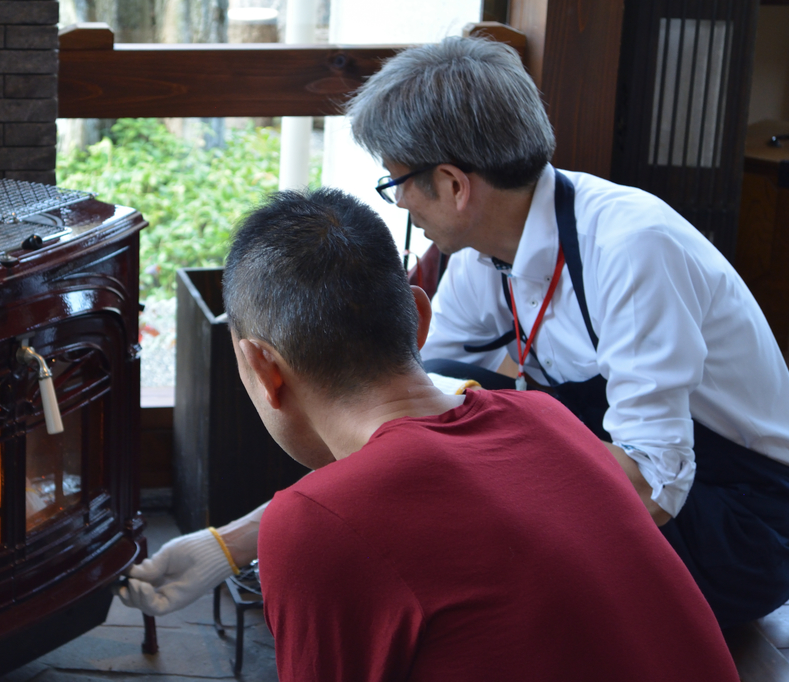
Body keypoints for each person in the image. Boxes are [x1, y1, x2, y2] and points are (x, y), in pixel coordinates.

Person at [121, 36, 789, 629]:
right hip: (640, 488)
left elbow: (653, 488)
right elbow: (406, 420)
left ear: (451, 185)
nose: (400, 204)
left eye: (396, 184)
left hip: (741, 524)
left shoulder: (631, 247)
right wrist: (236, 540)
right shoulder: (484, 254)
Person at [137, 187, 740, 681]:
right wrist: (226, 545)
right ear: (420, 319)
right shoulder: (549, 421)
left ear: (264, 367)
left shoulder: (316, 526)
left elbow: (373, 509)